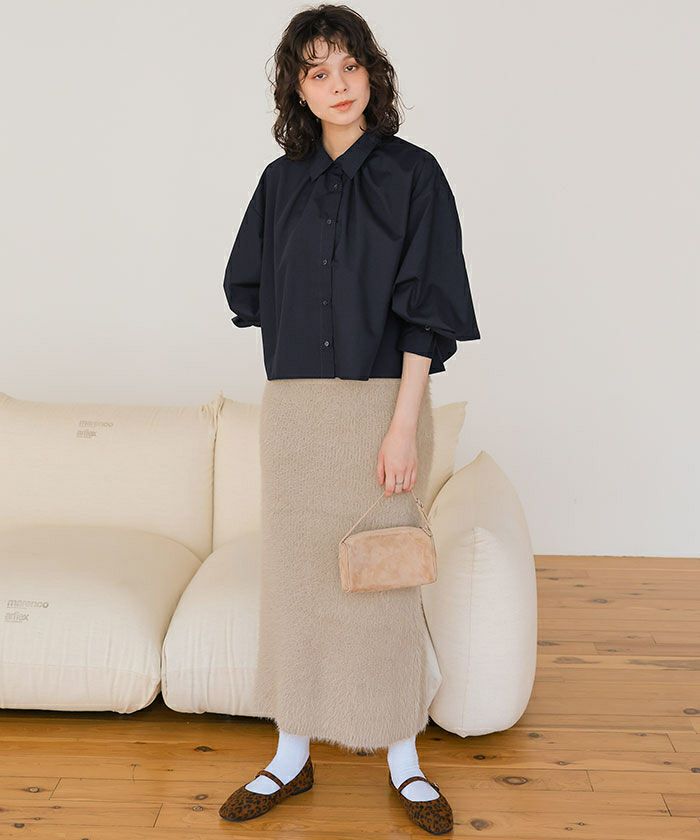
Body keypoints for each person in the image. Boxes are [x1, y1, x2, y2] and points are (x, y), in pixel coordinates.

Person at [218, 4, 480, 834]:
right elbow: (253, 287)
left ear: (373, 72)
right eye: (317, 71)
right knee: (298, 585)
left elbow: (427, 311)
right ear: (297, 88)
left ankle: (404, 762)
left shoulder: (415, 175)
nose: (337, 84)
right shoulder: (279, 182)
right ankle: (290, 754)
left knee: (383, 584)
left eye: (349, 66)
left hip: (383, 407)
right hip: (297, 414)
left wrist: (402, 424)